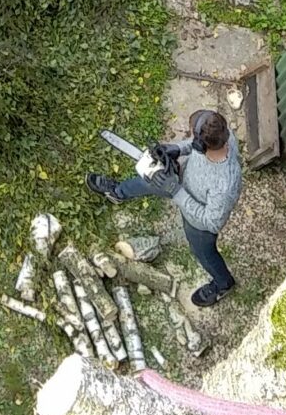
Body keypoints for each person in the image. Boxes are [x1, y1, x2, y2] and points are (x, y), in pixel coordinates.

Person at [86, 108, 243, 307]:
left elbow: (211, 222)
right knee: (151, 180)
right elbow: (192, 147)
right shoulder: (222, 137)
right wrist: (176, 149)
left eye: (192, 136)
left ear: (201, 144)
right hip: (181, 182)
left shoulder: (225, 184)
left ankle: (223, 283)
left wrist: (176, 191)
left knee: (203, 253)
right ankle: (117, 192)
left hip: (197, 223)